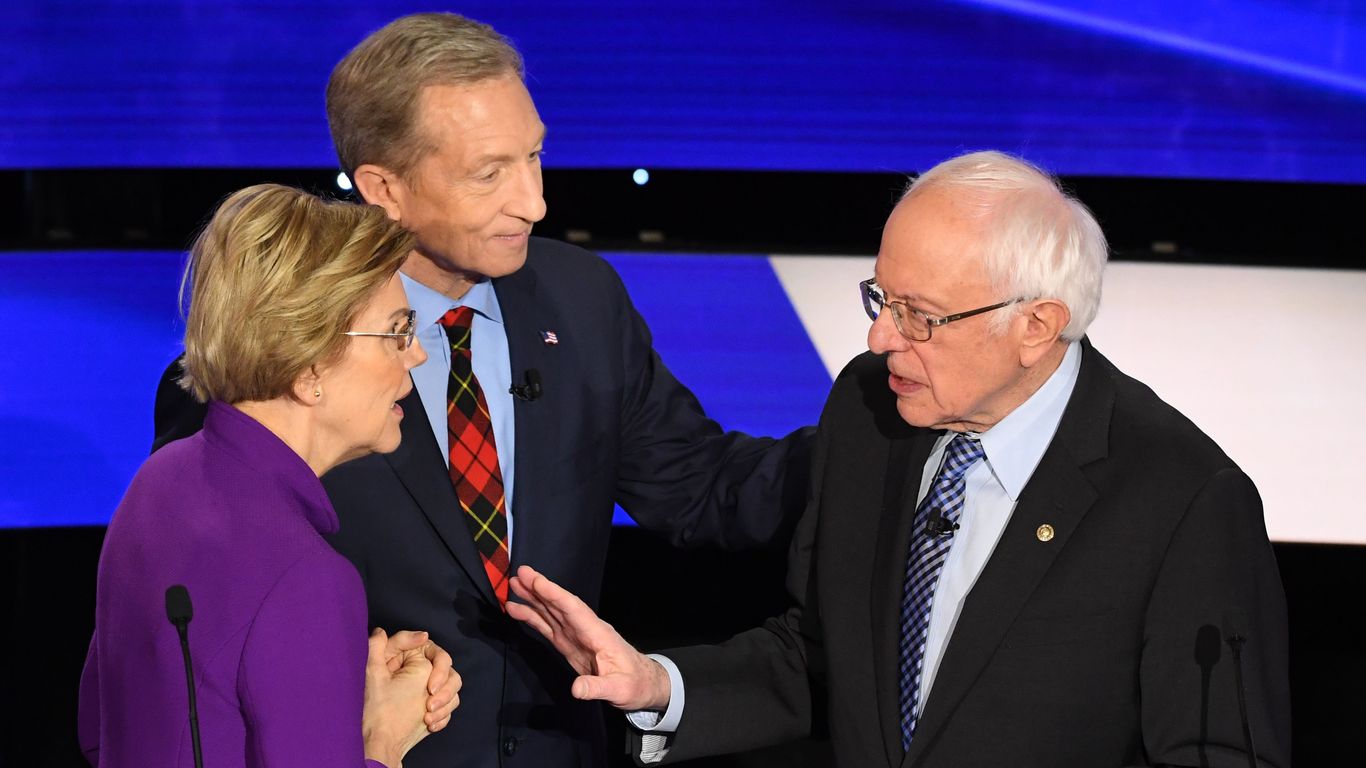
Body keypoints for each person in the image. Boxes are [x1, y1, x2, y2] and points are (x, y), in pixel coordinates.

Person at [149, 12, 813, 768]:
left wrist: (884, 450)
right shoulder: (270, 359)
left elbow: (700, 486)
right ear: (383, 187)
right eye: (490, 172)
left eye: (535, 157)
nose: (533, 202)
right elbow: (203, 634)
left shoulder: (582, 299)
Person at [506, 151, 1293, 767]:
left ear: (1036, 326)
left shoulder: (1182, 499)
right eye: (881, 300)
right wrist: (660, 686)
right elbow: (822, 656)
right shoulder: (871, 410)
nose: (882, 339)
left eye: (920, 316)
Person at [79, 185, 461, 767]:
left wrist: (319, 685)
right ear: (310, 369)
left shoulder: (157, 482)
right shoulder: (308, 578)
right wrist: (382, 737)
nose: (416, 356)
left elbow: (98, 731)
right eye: (397, 331)